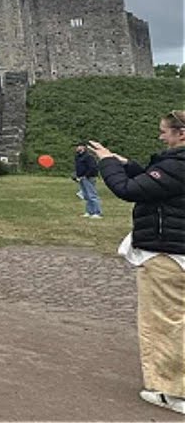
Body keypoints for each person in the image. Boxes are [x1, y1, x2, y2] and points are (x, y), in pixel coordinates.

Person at [88, 111, 185, 415]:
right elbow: (157, 184)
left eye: (164, 132)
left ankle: (172, 392)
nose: (160, 137)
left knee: (164, 322)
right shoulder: (175, 166)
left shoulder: (178, 164)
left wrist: (106, 162)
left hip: (166, 253)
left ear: (181, 133)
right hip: (179, 250)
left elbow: (128, 190)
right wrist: (126, 164)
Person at [73, 143, 103, 219]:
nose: (76, 148)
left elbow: (93, 167)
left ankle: (97, 212)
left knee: (92, 195)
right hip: (81, 178)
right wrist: (77, 175)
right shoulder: (78, 157)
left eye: (78, 146)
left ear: (83, 147)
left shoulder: (89, 157)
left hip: (89, 178)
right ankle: (89, 212)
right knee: (86, 196)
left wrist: (86, 175)